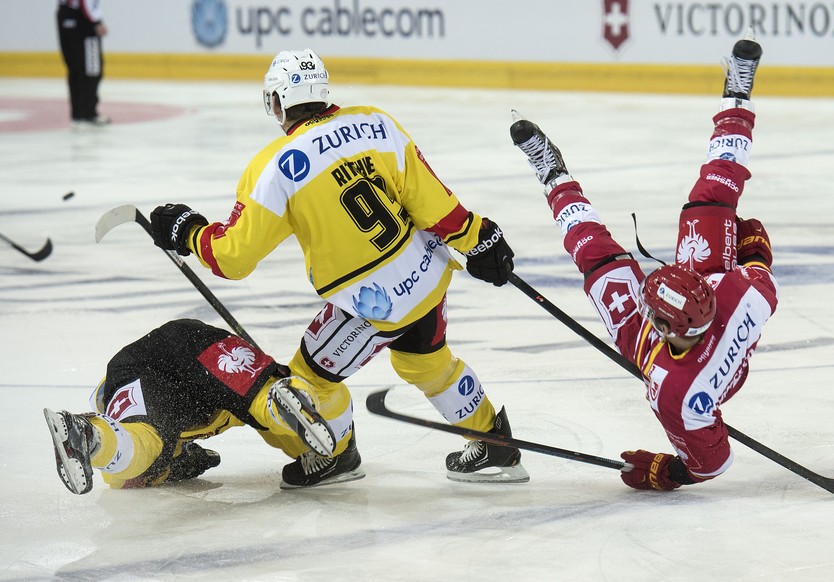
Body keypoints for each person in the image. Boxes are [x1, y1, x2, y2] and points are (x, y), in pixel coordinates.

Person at [148, 49, 529, 484]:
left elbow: (233, 258)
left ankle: (337, 454)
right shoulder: (376, 123)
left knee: (311, 382)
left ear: (276, 103)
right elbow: (432, 203)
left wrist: (190, 231)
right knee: (426, 363)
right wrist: (479, 237)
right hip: (425, 274)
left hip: (374, 303)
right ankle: (492, 440)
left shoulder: (274, 165)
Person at [510, 31, 777, 491]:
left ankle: (554, 175)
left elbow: (711, 466)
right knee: (714, 193)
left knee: (596, 257)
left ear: (661, 323)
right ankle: (737, 96)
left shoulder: (679, 394)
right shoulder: (743, 293)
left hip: (679, 367)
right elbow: (757, 267)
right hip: (702, 311)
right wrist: (752, 249)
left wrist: (666, 472)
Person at [44, 318, 366, 494]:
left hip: (150, 362)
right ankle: (298, 408)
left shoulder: (132, 402)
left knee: (143, 445)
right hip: (198, 353)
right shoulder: (180, 429)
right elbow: (195, 459)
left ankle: (89, 436)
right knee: (262, 408)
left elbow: (131, 469)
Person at [56, 0, 110, 126]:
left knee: (75, 67)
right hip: (82, 18)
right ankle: (88, 113)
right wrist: (96, 21)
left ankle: (78, 112)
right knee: (91, 68)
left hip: (65, 15)